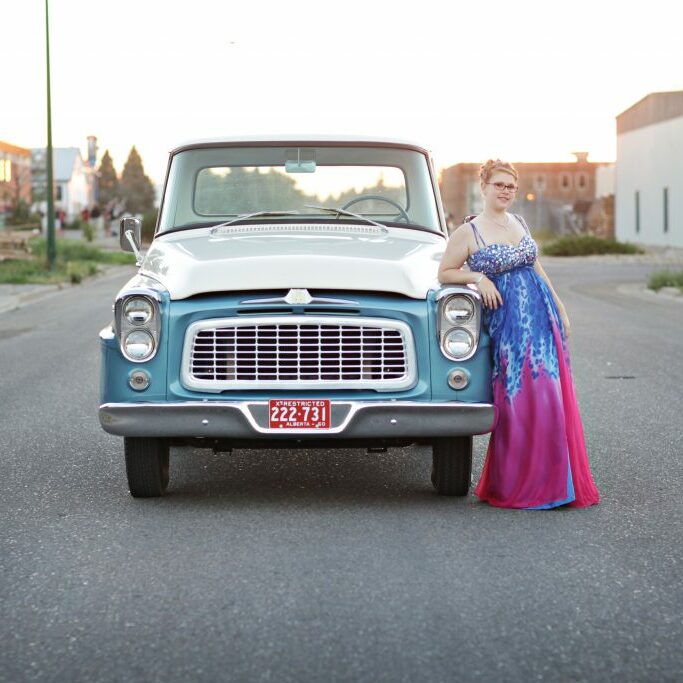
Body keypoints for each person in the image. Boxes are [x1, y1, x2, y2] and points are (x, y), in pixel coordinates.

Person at [438, 159, 600, 509]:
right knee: (520, 401)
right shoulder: (469, 232)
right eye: (499, 185)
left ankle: (556, 485)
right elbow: (446, 272)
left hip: (542, 321)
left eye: (511, 186)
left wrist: (559, 305)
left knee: (551, 399)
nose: (506, 191)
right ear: (483, 187)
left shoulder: (519, 222)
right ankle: (519, 485)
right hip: (508, 325)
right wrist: (478, 278)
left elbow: (536, 267)